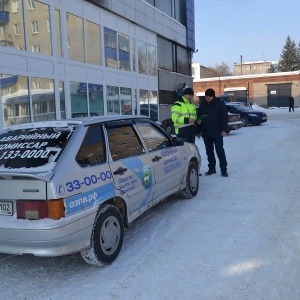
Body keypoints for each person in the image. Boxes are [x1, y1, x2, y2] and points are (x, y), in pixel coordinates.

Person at [197, 88, 229, 177]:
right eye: (206, 96)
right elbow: (199, 119)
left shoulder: (220, 104)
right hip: (206, 133)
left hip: (218, 132)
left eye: (210, 96)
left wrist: (224, 130)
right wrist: (198, 130)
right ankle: (211, 168)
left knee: (220, 151)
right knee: (209, 152)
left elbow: (224, 118)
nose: (208, 98)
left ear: (213, 96)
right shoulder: (202, 105)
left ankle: (223, 169)